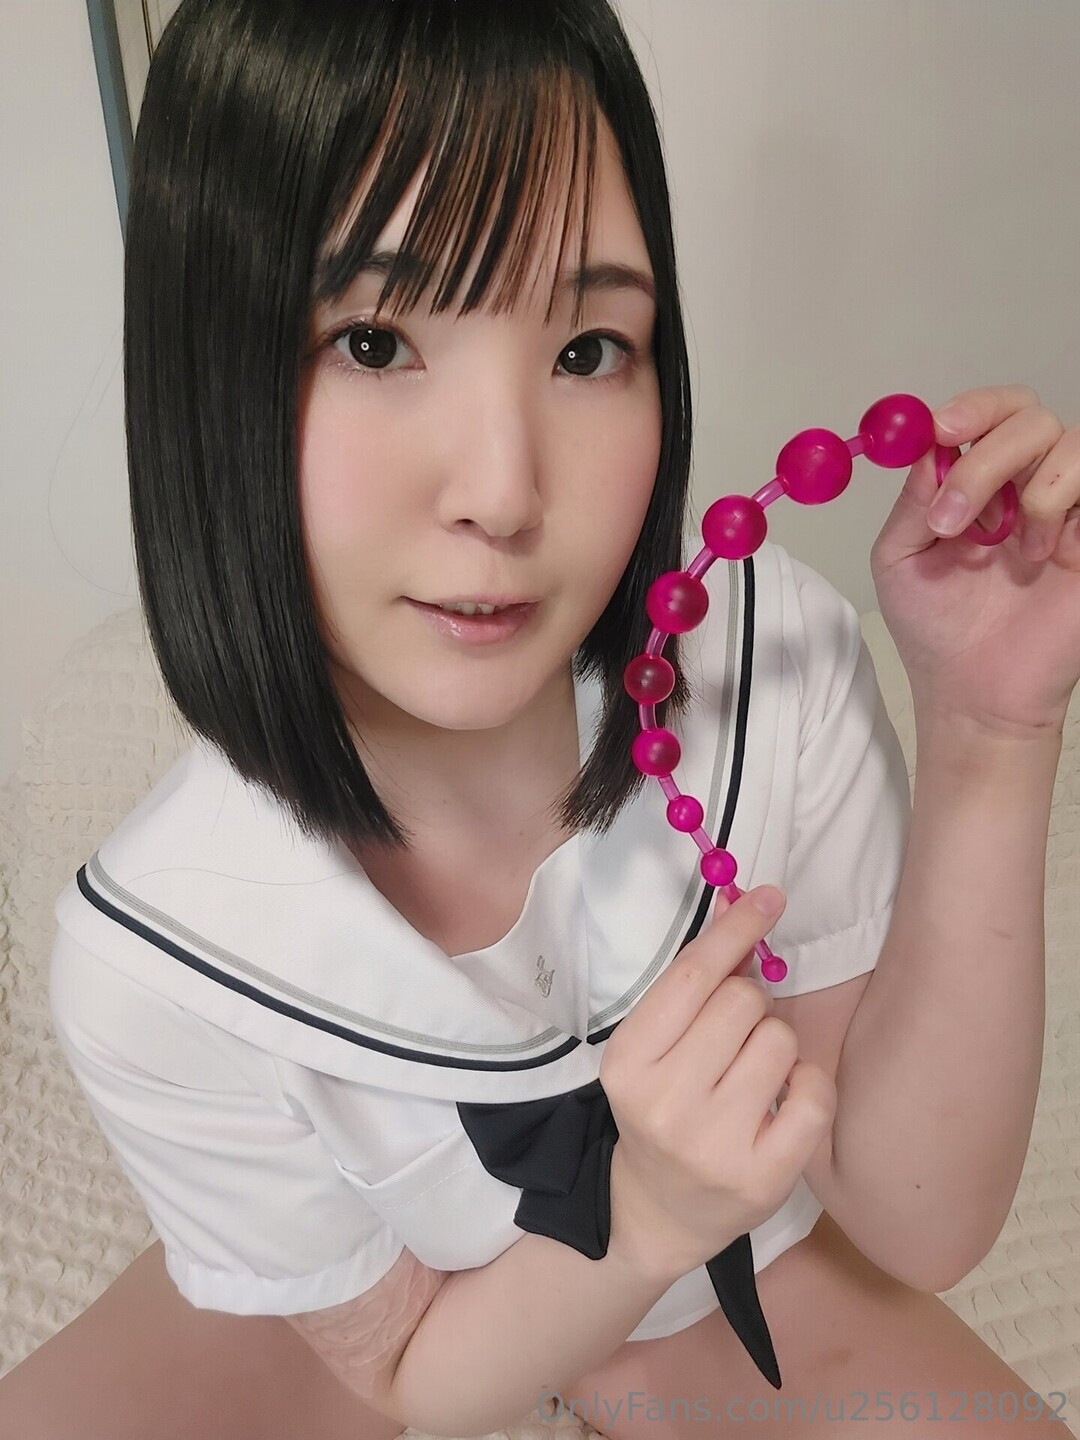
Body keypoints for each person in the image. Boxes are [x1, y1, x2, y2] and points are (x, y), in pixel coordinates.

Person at [2, 2, 1074, 1438]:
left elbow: (922, 1220)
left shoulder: (773, 667)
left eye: (587, 351)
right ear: (203, 374)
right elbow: (410, 1378)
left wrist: (993, 735)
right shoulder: (163, 962)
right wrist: (640, 1224)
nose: (504, 493)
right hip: (421, 1290)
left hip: (738, 1263)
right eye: (374, 339)